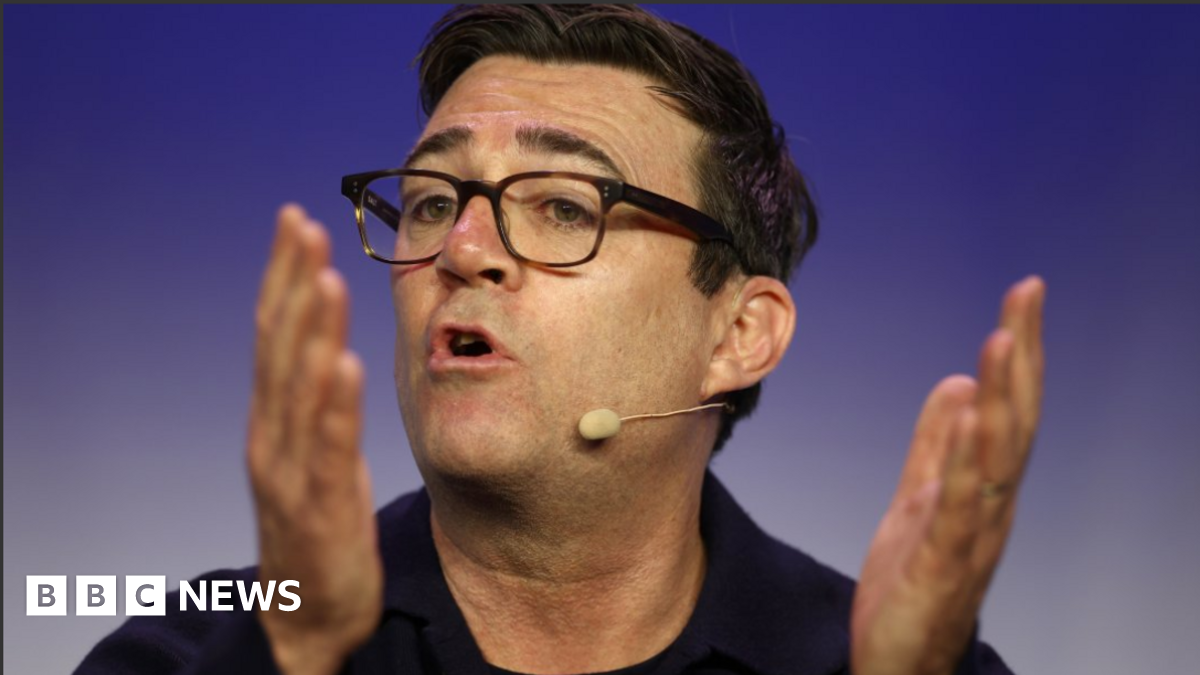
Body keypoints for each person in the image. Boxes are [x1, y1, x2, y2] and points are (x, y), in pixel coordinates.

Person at [76, 5, 1044, 675]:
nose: (462, 248)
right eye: (430, 201)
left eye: (560, 205)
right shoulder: (208, 645)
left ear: (739, 333)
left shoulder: (891, 658)